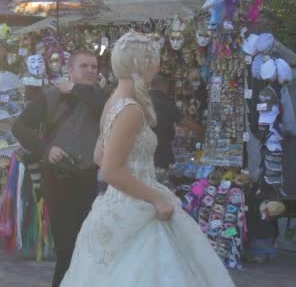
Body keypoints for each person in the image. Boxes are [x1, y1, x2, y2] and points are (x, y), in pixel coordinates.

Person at [60, 31, 234, 286]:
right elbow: (109, 169)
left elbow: (99, 154)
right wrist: (157, 198)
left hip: (119, 204)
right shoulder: (130, 109)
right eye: (155, 60)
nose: (158, 66)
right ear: (144, 64)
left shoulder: (113, 102)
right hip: (136, 207)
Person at [12, 49, 107, 287]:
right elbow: (20, 127)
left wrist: (75, 90)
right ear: (70, 70)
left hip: (88, 179)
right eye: (84, 66)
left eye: (94, 67)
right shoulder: (52, 96)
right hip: (58, 179)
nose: (90, 71)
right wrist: (45, 150)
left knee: (86, 246)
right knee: (66, 248)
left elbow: (100, 108)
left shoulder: (102, 97)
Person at [149, 73, 182, 171]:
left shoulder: (142, 100)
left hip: (143, 151)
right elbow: (183, 121)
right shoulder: (167, 102)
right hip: (162, 150)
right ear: (164, 85)